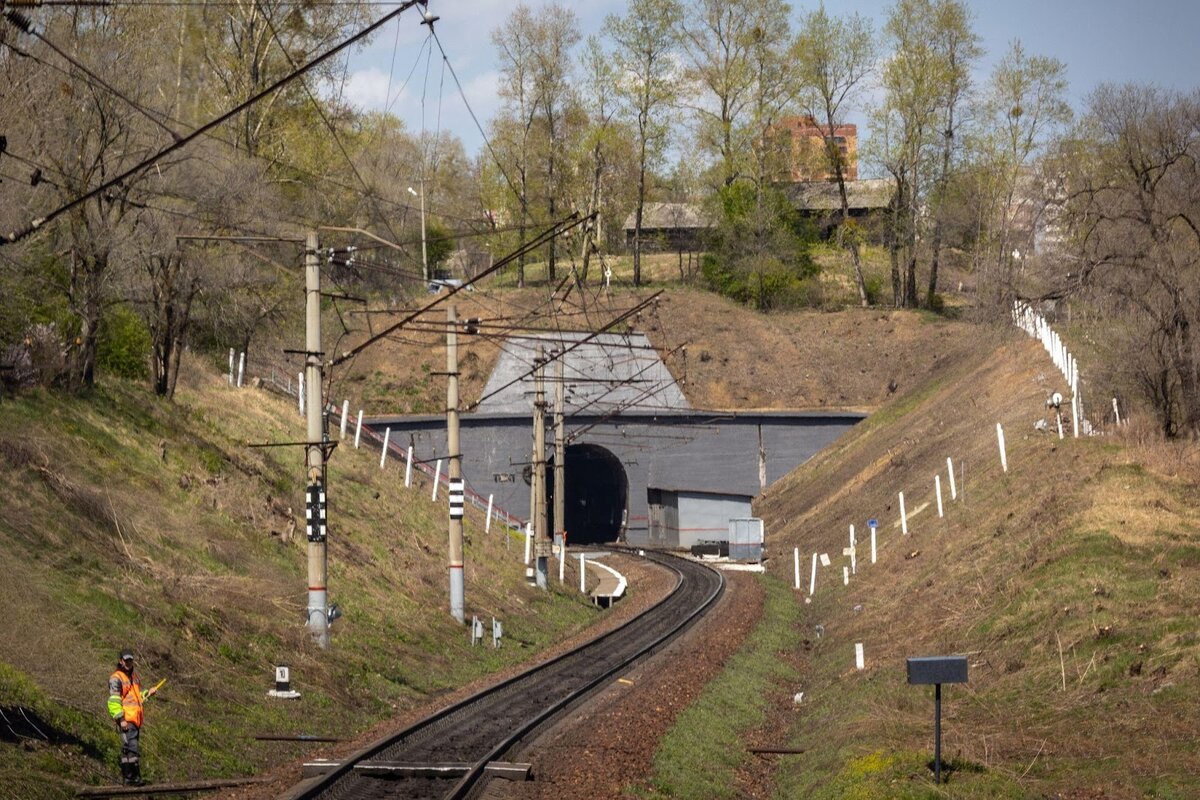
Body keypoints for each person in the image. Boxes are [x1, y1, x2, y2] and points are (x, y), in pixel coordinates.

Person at [107, 650, 158, 786]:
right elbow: (113, 701)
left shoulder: (134, 677)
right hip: (126, 719)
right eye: (126, 660)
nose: (129, 663)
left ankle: (129, 778)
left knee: (129, 748)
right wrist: (121, 719)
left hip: (135, 720)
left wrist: (148, 693)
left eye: (130, 660)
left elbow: (137, 698)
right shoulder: (116, 678)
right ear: (121, 661)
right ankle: (133, 777)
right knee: (132, 748)